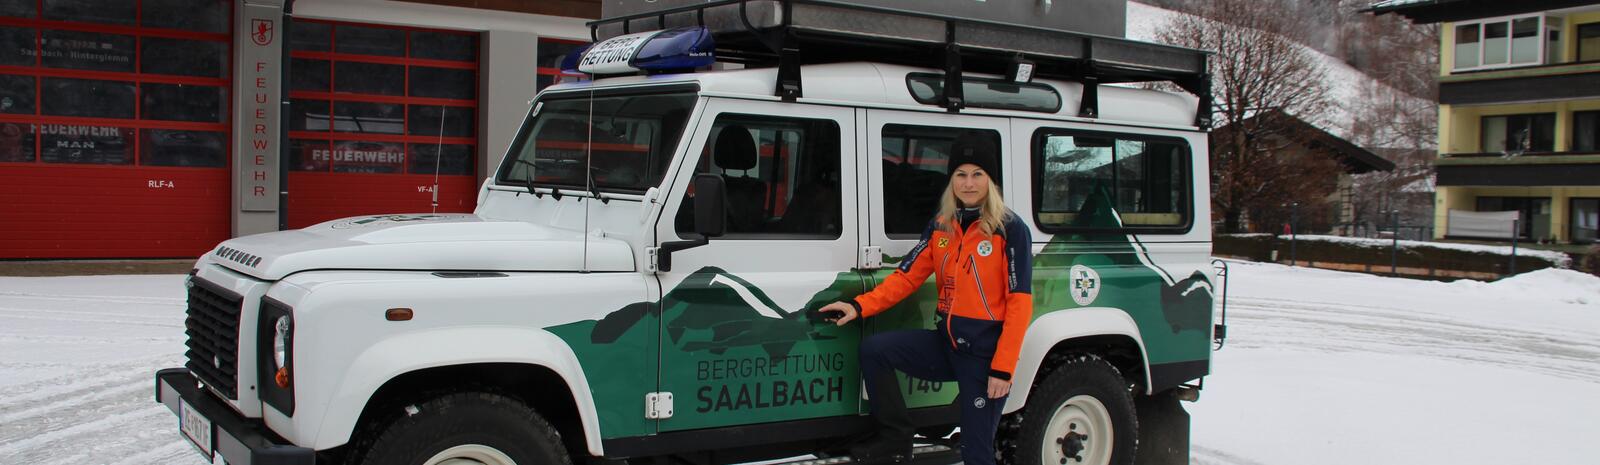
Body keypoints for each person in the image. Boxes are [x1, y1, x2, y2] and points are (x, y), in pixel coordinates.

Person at [818, 134, 1032, 465]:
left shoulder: (1009, 229)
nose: (969, 183)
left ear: (991, 181)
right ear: (951, 180)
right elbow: (906, 277)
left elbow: (1019, 303)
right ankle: (895, 439)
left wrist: (1002, 370)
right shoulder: (940, 225)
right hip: (946, 345)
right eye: (961, 174)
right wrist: (859, 306)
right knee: (875, 351)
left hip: (983, 358)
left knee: (976, 452)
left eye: (978, 174)